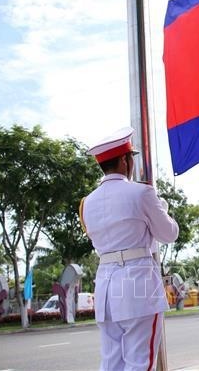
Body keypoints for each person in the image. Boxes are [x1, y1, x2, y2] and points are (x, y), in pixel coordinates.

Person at [79, 127, 179, 371]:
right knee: (140, 362)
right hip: (137, 284)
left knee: (111, 363)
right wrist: (161, 209)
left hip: (105, 288)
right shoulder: (142, 192)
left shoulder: (87, 203)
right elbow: (169, 234)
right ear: (125, 160)